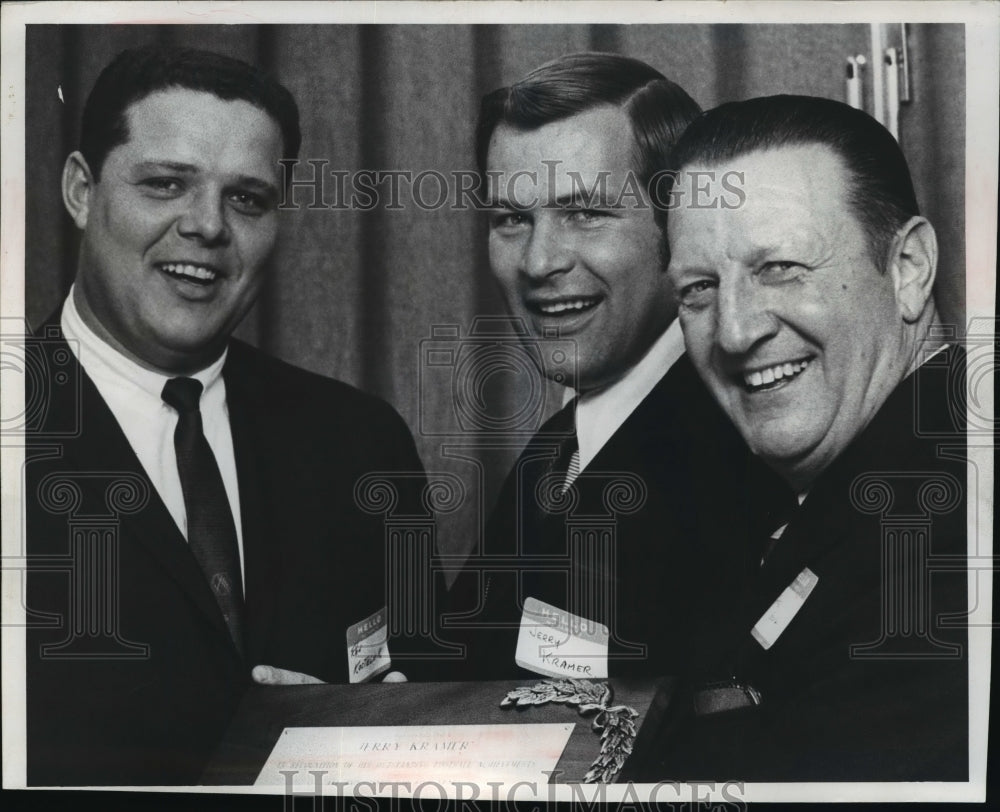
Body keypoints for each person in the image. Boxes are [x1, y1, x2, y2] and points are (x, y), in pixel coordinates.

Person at [25, 45, 426, 786]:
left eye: (246, 199)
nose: (207, 226)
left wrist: (385, 737)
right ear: (81, 191)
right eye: (166, 184)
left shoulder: (361, 445)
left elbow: (424, 706)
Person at [623, 95, 968, 781]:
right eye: (697, 289)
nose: (733, 331)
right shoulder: (849, 477)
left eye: (779, 268)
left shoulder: (945, 538)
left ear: (908, 269)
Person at [449, 53, 760, 680]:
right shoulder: (563, 443)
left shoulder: (742, 448)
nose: (539, 263)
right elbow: (471, 665)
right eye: (512, 219)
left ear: (677, 226)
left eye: (585, 213)